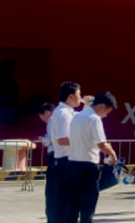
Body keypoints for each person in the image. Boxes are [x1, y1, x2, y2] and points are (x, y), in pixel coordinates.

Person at [69, 92, 118, 223]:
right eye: (107, 111)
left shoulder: (77, 116)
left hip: (72, 165)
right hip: (87, 167)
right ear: (101, 106)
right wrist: (112, 154)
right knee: (87, 207)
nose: (106, 115)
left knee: (73, 206)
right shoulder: (94, 118)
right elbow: (102, 144)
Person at [49, 82, 82, 223]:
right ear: (70, 96)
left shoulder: (67, 112)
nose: (80, 98)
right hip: (65, 161)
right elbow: (63, 139)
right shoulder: (64, 114)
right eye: (79, 95)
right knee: (68, 202)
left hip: (64, 161)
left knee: (68, 201)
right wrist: (83, 143)